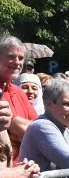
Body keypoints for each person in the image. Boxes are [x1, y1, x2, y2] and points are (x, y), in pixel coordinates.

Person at [0, 35, 37, 165]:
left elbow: (38, 130)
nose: (17, 62)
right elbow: (24, 130)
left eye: (21, 58)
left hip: (23, 167)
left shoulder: (19, 91)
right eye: (11, 57)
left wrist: (17, 128)